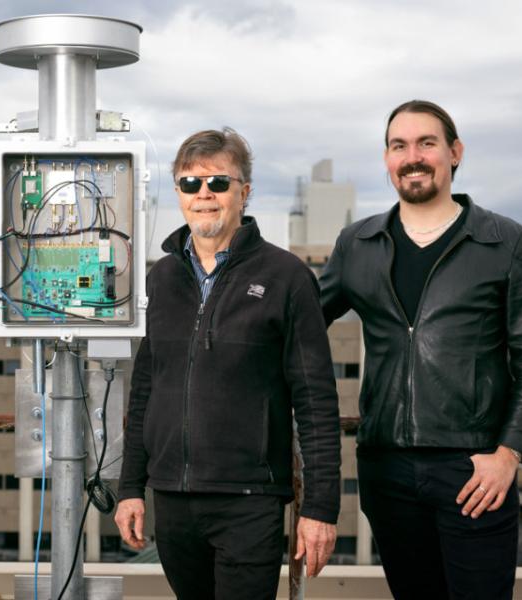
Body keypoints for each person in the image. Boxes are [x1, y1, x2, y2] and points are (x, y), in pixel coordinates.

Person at [319, 100, 522, 599]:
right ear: (387, 159)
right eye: (399, 146)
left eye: (427, 143)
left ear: (454, 152)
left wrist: (508, 456)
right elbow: (299, 326)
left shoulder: (504, 241)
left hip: (475, 470)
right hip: (386, 470)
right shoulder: (356, 244)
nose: (413, 157)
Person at [114, 128, 342, 600]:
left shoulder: (287, 277)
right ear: (177, 192)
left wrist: (320, 508)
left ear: (245, 192)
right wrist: (131, 487)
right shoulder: (163, 278)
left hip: (249, 502)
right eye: (190, 184)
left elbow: (316, 401)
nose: (204, 195)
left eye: (218, 183)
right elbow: (144, 391)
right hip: (172, 500)